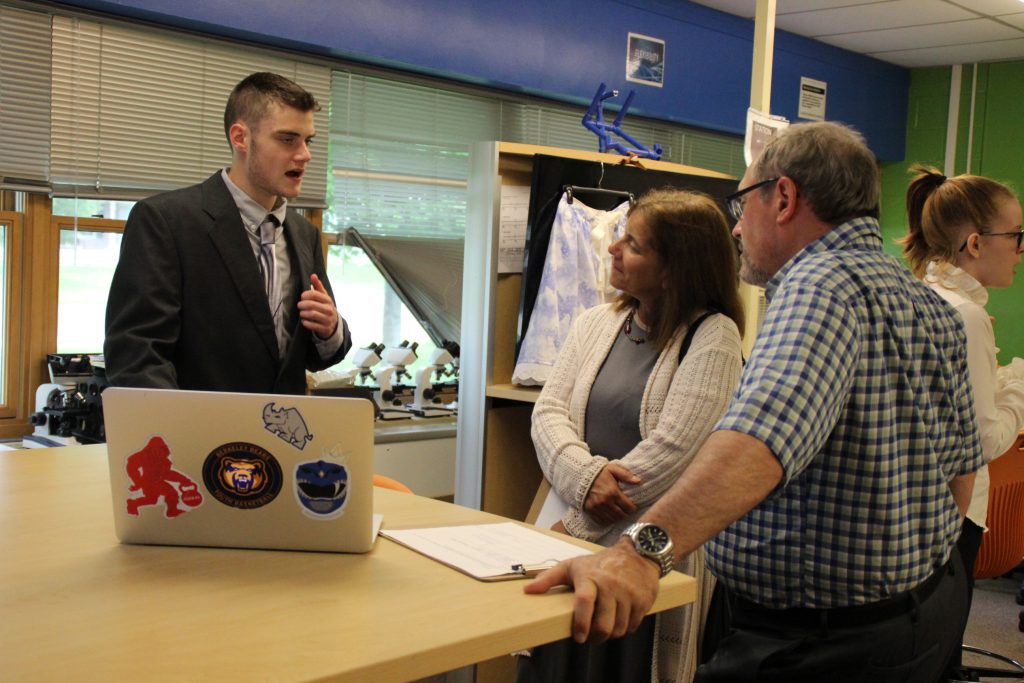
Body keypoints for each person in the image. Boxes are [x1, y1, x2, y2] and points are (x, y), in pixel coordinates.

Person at [525, 121, 983, 683]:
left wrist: (637, 555)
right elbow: (960, 473)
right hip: (922, 610)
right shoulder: (928, 302)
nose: (737, 227)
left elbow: (756, 444)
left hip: (820, 642)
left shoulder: (819, 285)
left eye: (743, 204)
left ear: (784, 197)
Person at [519, 189, 745, 683]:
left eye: (634, 244)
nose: (613, 248)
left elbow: (673, 455)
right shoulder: (598, 322)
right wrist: (586, 479)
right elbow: (548, 413)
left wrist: (576, 529)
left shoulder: (714, 338)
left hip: (644, 554)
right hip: (568, 528)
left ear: (674, 269)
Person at [105, 72, 351, 394]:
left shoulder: (304, 234)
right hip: (198, 438)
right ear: (241, 138)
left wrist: (329, 329)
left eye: (308, 141)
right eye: (288, 139)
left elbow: (304, 357)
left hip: (283, 436)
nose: (305, 154)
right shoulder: (166, 221)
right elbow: (137, 355)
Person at [900, 165, 1024, 675]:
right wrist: (1018, 381)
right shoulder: (967, 316)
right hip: (955, 517)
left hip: (914, 515)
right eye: (1015, 236)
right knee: (940, 658)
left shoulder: (919, 294)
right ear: (974, 243)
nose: (1020, 249)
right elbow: (979, 441)